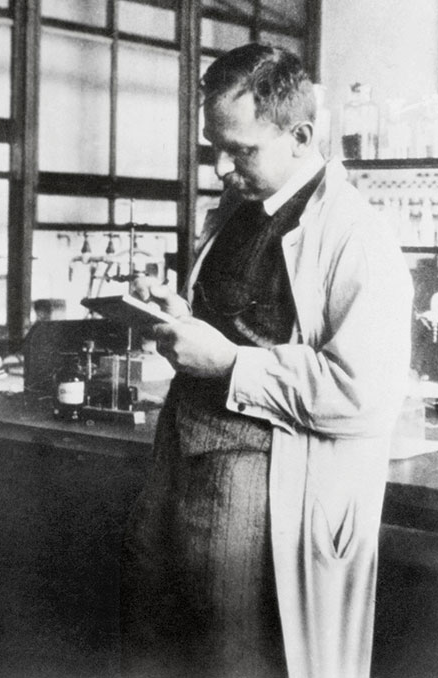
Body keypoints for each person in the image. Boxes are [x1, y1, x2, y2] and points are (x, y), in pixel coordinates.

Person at [120, 44, 413, 678]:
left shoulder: (357, 238)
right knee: (167, 648)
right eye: (213, 148)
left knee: (233, 659)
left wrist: (228, 363)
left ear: (301, 135)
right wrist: (181, 316)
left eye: (242, 151)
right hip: (182, 453)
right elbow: (236, 321)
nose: (222, 167)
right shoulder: (239, 213)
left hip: (257, 478)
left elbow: (361, 394)